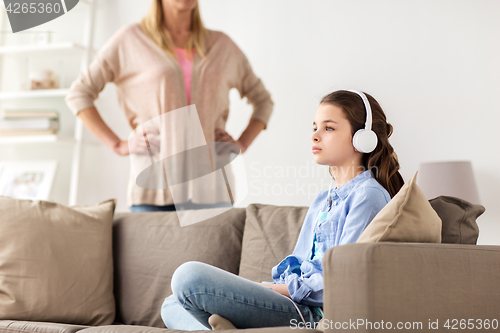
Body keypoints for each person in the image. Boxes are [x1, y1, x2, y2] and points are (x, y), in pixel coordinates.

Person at [159, 90, 405, 330]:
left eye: (328, 128)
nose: (315, 136)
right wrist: (264, 288)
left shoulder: (368, 196)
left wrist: (268, 290)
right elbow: (299, 262)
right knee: (171, 303)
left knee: (188, 278)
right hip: (289, 299)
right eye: (314, 127)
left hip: (310, 312)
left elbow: (341, 282)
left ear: (362, 138)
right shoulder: (323, 200)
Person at [65, 0, 273, 212]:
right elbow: (79, 94)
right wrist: (118, 145)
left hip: (213, 189)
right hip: (154, 188)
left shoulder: (222, 45)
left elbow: (263, 100)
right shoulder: (130, 39)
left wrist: (242, 144)